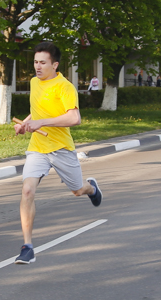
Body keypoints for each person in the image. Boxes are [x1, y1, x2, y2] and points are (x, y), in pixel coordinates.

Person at [13, 42, 102, 265]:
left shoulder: (64, 87)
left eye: (43, 62)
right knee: (26, 191)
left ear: (55, 65)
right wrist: (25, 124)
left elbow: (74, 118)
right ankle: (28, 247)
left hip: (61, 149)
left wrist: (43, 122)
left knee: (77, 190)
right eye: (35, 62)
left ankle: (91, 187)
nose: (37, 67)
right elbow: (36, 112)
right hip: (38, 148)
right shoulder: (34, 82)